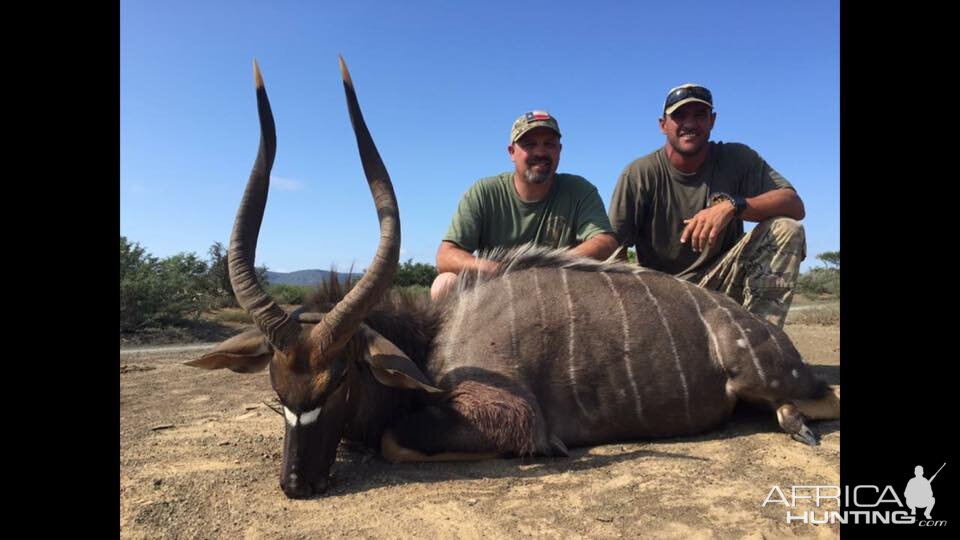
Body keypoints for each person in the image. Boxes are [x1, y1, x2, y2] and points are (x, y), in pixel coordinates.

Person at [608, 83, 806, 328]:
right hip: (663, 296)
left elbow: (795, 205)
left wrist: (732, 205)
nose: (690, 124)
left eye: (699, 115)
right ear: (663, 125)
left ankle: (762, 340)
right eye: (679, 115)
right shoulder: (639, 174)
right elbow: (613, 251)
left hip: (722, 286)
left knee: (786, 229)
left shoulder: (737, 158)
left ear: (712, 120)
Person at [432, 110, 618, 300]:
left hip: (558, 291)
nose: (540, 152)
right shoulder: (484, 191)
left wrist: (546, 269)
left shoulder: (580, 190)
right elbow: (445, 256)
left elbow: (605, 242)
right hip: (497, 294)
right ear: (512, 152)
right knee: (444, 284)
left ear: (559, 151)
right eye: (529, 145)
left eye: (549, 144)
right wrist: (502, 271)